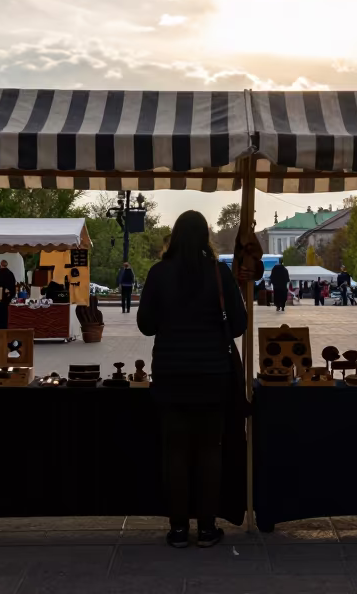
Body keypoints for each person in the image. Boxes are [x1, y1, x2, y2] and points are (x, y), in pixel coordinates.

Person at [137, 210, 248, 550]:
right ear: (205, 238)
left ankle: (178, 529)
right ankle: (207, 527)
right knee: (209, 451)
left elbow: (146, 325)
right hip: (212, 375)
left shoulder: (158, 274)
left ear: (174, 236)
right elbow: (239, 325)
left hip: (171, 375)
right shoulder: (219, 274)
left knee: (175, 451)